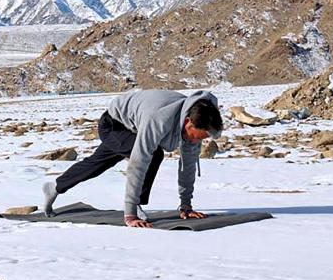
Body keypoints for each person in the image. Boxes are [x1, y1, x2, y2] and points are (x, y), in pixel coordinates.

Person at [42, 89, 223, 228]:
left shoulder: (198, 118)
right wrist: (130, 212)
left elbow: (188, 165)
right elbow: (138, 163)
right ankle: (135, 205)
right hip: (114, 125)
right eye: (195, 136)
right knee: (153, 154)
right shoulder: (159, 119)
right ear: (187, 122)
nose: (195, 141)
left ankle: (55, 186)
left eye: (201, 139)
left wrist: (186, 206)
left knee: (96, 164)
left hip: (135, 125)